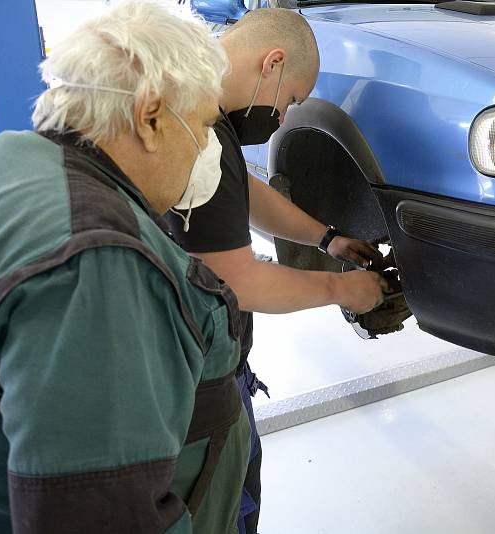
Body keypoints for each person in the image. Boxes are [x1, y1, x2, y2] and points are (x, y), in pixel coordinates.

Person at [0, 2, 251, 532]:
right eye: (203, 124)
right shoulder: (95, 263)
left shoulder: (11, 163)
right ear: (151, 117)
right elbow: (94, 513)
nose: (205, 146)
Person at [165, 8, 387, 534]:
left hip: (183, 360)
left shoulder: (184, 93)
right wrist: (344, 289)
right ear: (273, 63)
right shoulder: (198, 136)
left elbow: (240, 188)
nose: (284, 118)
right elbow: (241, 283)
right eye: (290, 100)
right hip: (191, 380)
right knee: (224, 503)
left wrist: (327, 238)